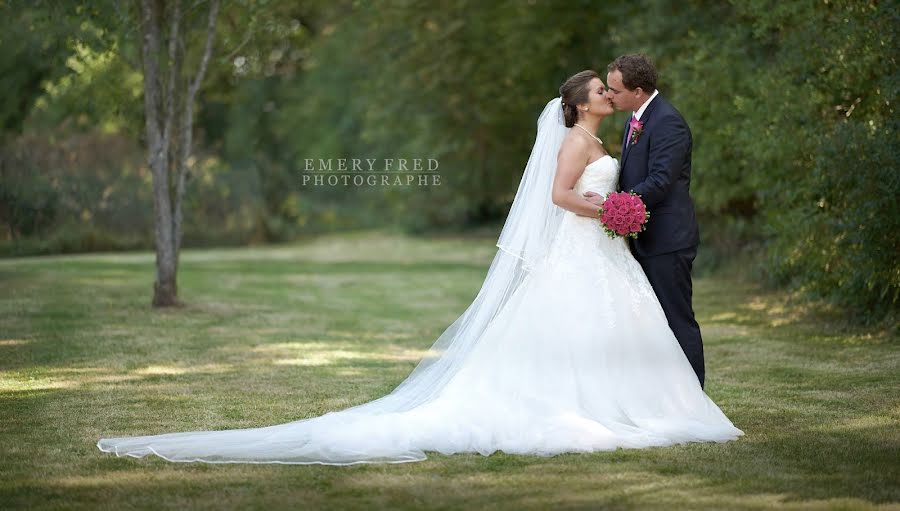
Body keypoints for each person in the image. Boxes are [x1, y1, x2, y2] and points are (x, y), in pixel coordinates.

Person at [97, 69, 743, 466]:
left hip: (604, 253)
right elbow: (557, 196)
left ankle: (646, 399)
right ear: (579, 104)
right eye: (600, 88)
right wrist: (605, 208)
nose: (609, 90)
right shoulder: (577, 140)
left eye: (609, 86)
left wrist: (612, 212)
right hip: (585, 247)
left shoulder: (603, 137)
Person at [586, 54, 706, 388]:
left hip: (668, 239)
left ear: (638, 91)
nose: (610, 96)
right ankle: (664, 394)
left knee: (676, 319)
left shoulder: (668, 121)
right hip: (644, 237)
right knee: (652, 323)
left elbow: (660, 182)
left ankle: (694, 395)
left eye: (615, 90)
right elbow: (632, 176)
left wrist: (612, 205)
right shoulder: (636, 118)